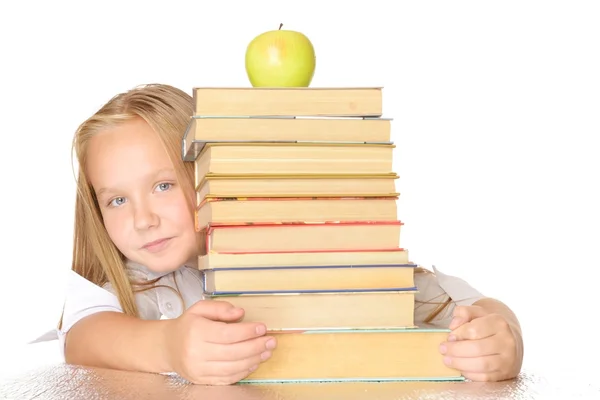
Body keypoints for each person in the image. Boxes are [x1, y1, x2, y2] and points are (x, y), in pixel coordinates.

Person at [36, 84, 523, 385]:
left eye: (163, 186)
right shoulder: (133, 284)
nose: (142, 219)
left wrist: (504, 337)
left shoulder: (296, 250)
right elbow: (83, 336)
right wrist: (169, 347)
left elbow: (459, 304)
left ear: (211, 174)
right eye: (117, 199)